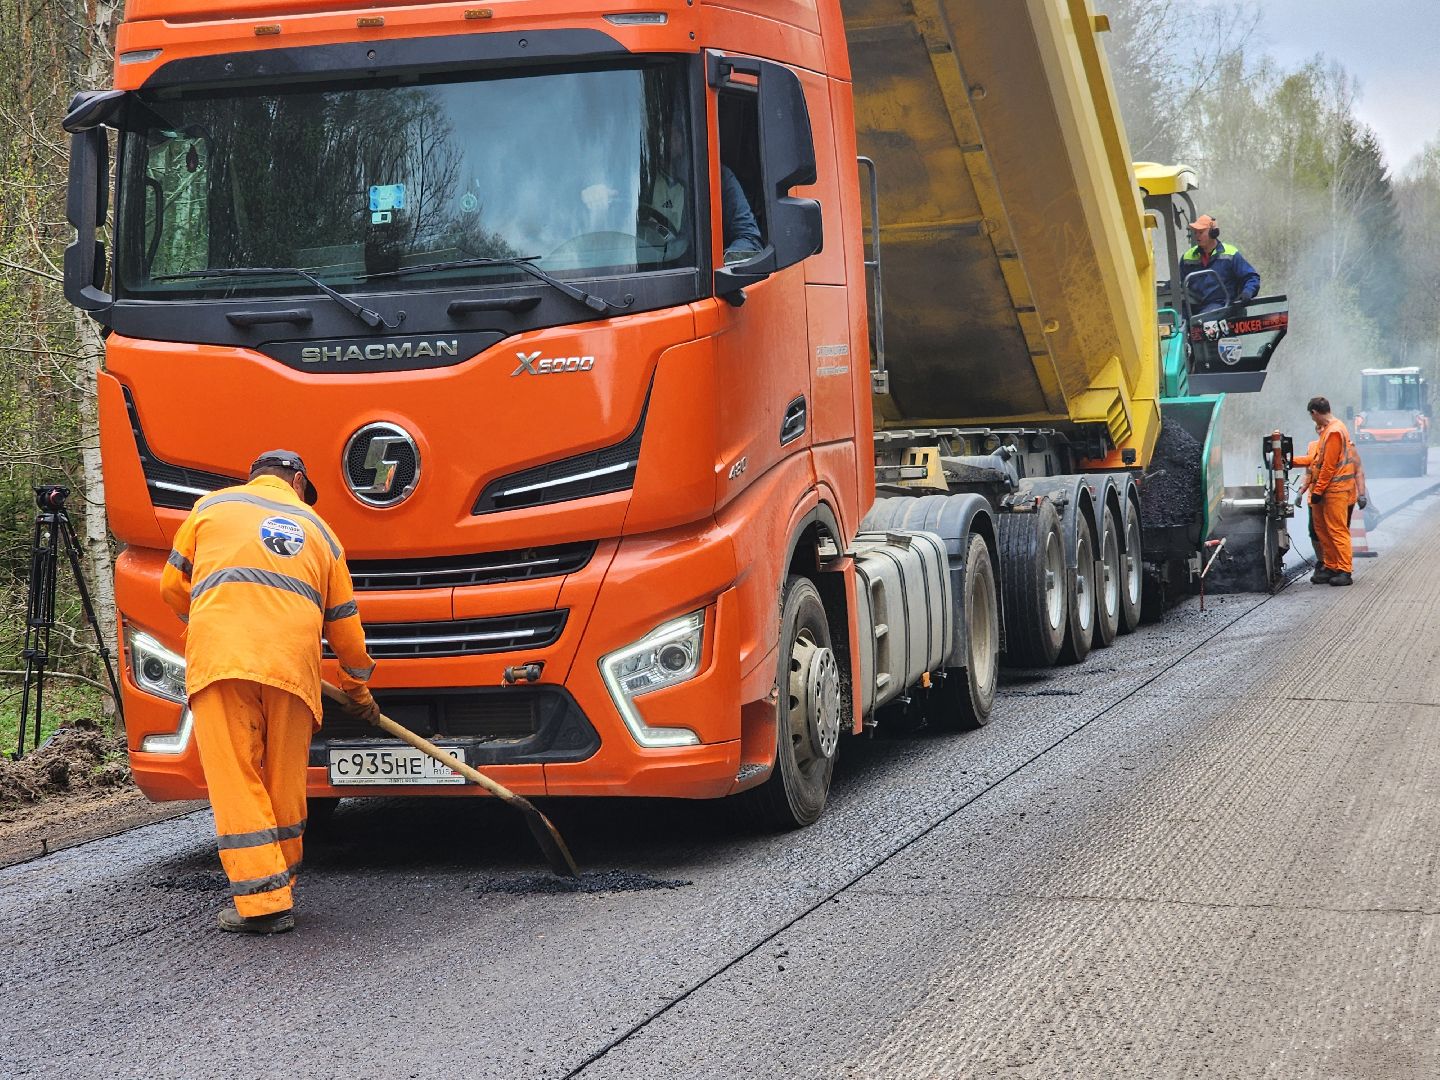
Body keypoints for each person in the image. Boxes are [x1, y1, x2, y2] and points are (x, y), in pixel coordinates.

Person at [160, 449, 379, 934]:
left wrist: (212, 617)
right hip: (293, 669)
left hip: (223, 662)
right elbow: (346, 627)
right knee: (284, 779)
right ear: (298, 482)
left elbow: (172, 586)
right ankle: (279, 887)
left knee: (236, 776)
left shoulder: (211, 508)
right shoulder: (321, 532)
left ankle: (263, 902)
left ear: (255, 476)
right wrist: (357, 689)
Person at [1298, 396, 1358, 586]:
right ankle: (1331, 566)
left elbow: (1329, 466)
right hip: (1327, 489)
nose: (1313, 420)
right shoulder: (1328, 430)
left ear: (1314, 412)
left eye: (1312, 416)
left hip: (1335, 490)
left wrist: (1318, 490)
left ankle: (1344, 570)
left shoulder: (1334, 431)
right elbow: (1317, 461)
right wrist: (1290, 461)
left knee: (1337, 530)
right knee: (1322, 530)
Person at [1180, 214, 1261, 314]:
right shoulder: (1188, 257)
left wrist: (1248, 292)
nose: (1197, 236)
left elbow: (1251, 277)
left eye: (1200, 232)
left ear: (1213, 233)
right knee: (1174, 318)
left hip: (1221, 305)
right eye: (1195, 232)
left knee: (1204, 318)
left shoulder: (1230, 254)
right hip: (1192, 306)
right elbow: (1178, 282)